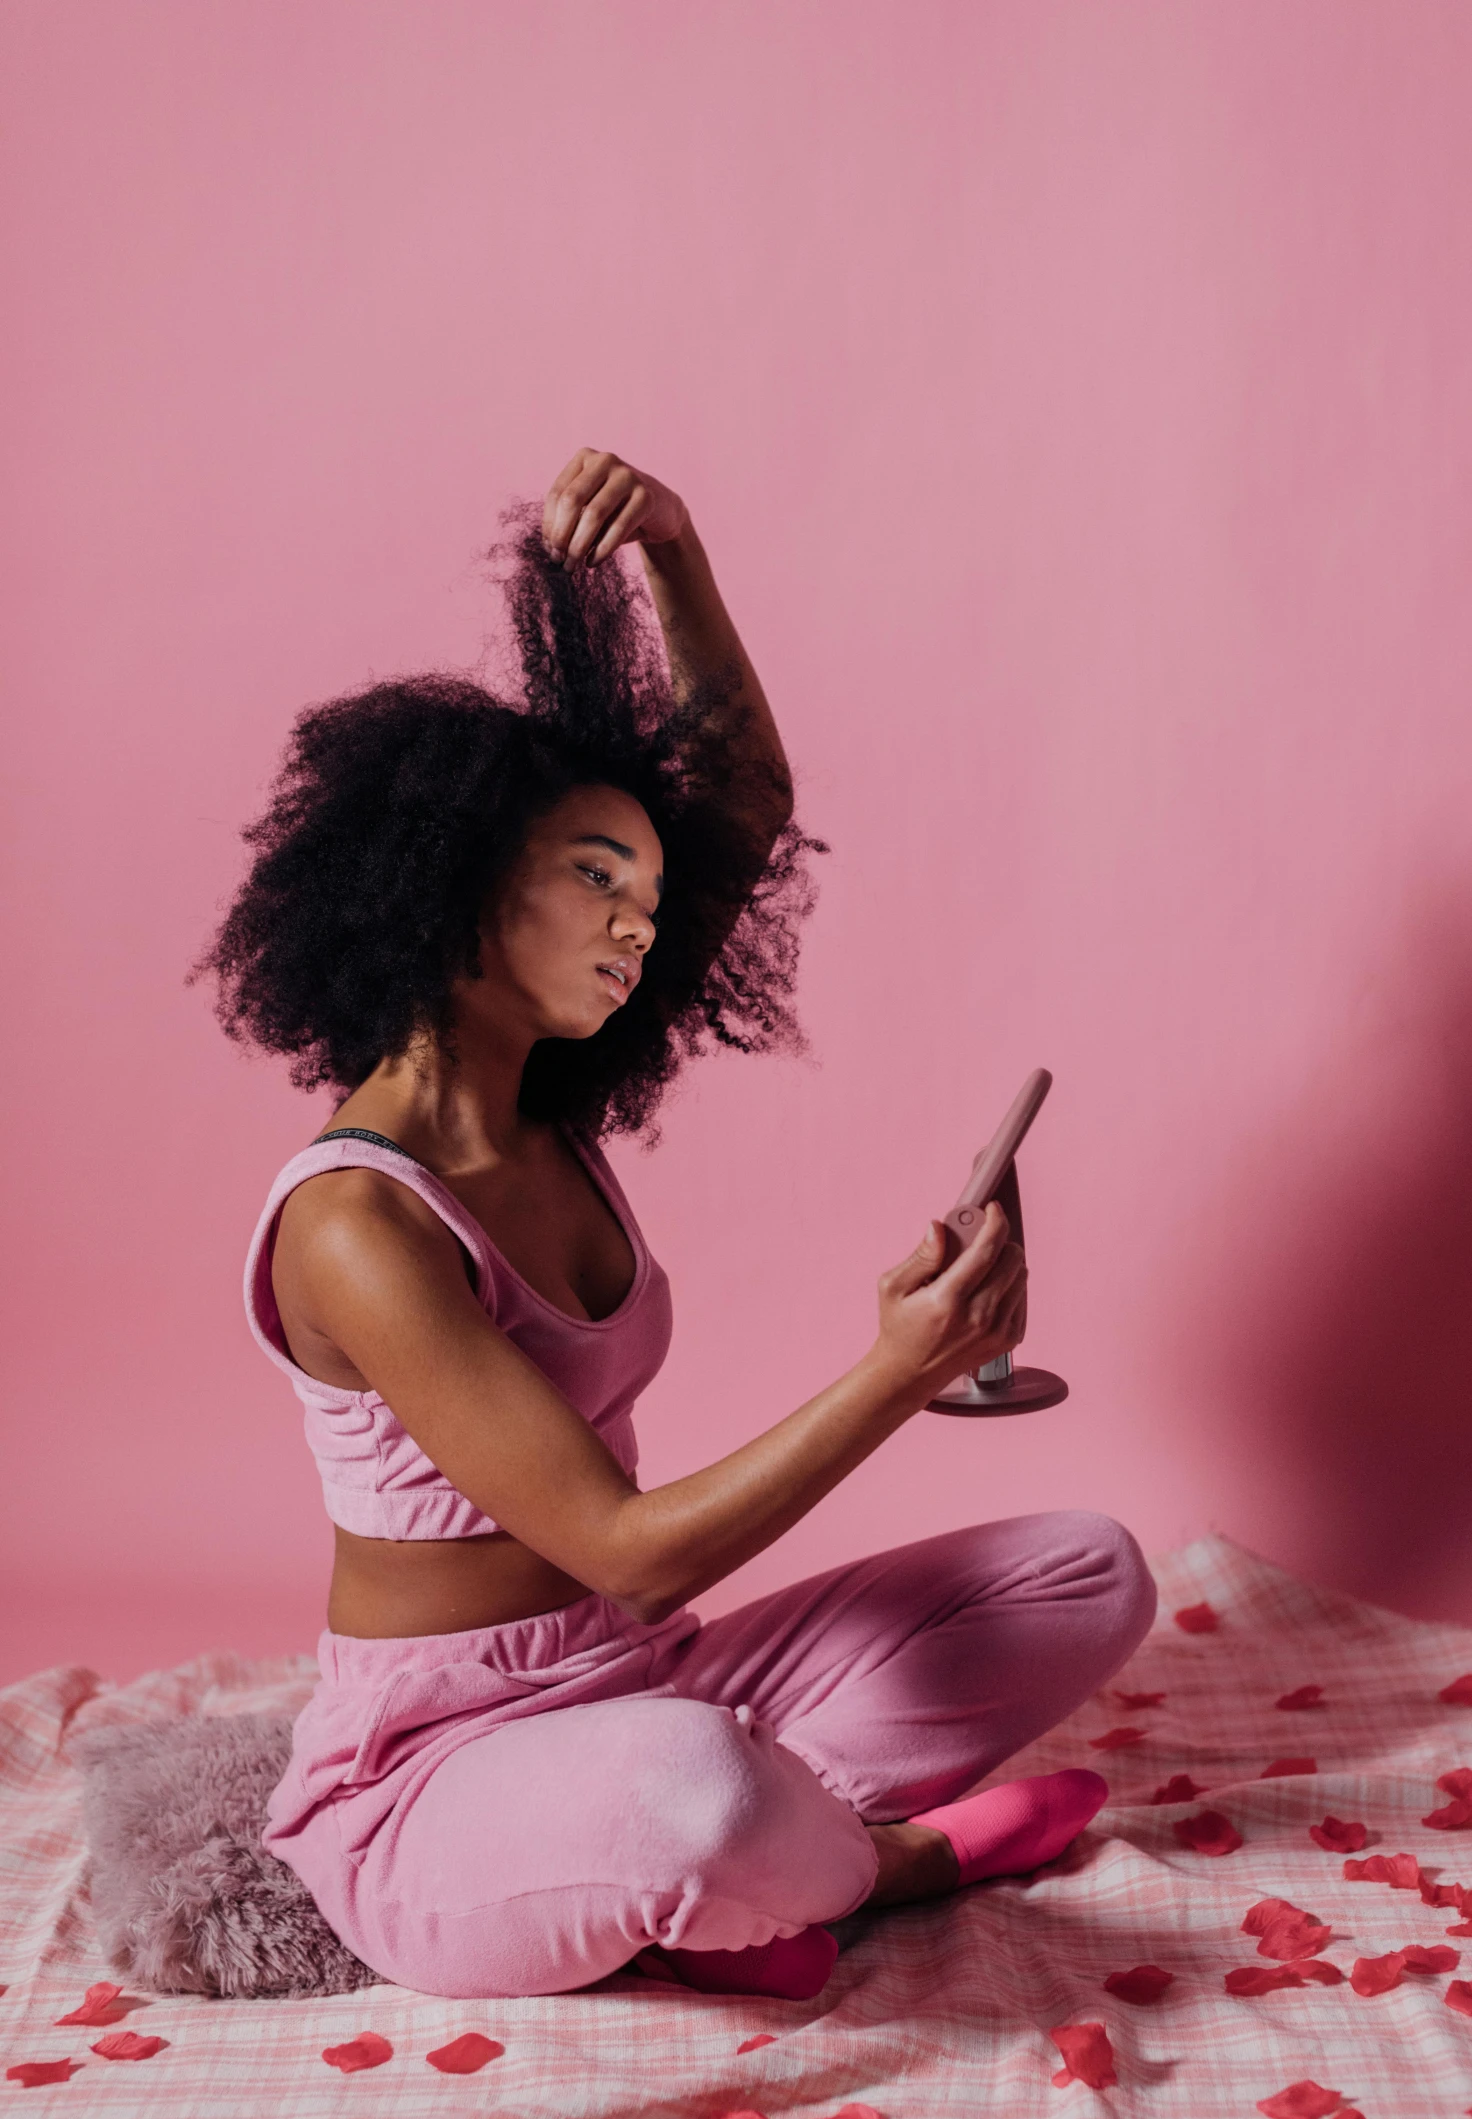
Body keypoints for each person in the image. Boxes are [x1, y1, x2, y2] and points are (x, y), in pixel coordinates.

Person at [198, 446, 1156, 2001]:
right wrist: (896, 1373)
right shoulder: (359, 1221)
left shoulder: (540, 1104)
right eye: (595, 879)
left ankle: (746, 1858)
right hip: (431, 1773)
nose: (642, 924)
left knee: (1085, 1571)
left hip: (639, 1672)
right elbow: (627, 1553)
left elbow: (746, 799)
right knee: (695, 1794)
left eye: (643, 887)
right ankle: (876, 1860)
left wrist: (678, 551)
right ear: (453, 891)